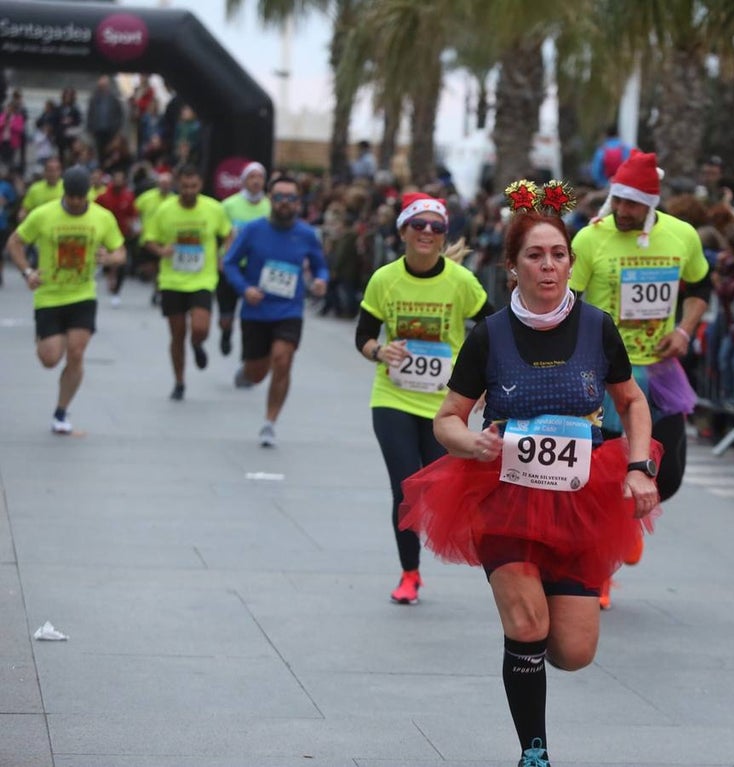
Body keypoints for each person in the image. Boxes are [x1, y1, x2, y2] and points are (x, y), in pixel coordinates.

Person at [398, 183, 660, 767]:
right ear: (512, 268)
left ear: (571, 260)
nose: (548, 266)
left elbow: (633, 401)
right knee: (526, 620)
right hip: (504, 494)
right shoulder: (490, 334)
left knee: (572, 650)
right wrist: (473, 442)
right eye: (534, 256)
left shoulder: (598, 327)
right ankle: (534, 752)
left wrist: (639, 467)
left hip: (581, 496)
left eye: (558, 254)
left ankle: (532, 650)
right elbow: (448, 421)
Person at [571, 151, 710, 609]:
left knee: (666, 475)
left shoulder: (682, 236)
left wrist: (685, 330)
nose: (623, 211)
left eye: (633, 203)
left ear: (651, 202)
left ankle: (629, 526)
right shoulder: (591, 240)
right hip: (606, 376)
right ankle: (602, 572)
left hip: (660, 370)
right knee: (610, 474)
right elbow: (566, 302)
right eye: (618, 200)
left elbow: (700, 289)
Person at [354, 192, 490, 605]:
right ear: (403, 232)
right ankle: (409, 574)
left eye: (436, 227)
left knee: (435, 489)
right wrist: (380, 351)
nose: (427, 233)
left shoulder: (461, 281)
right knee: (405, 487)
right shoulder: (384, 279)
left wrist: (481, 382)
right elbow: (363, 336)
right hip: (392, 397)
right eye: (419, 225)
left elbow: (493, 329)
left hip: (442, 405)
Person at [6, 166, 125, 433]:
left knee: (76, 352)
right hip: (49, 295)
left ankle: (61, 412)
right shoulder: (44, 215)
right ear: (64, 193)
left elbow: (121, 251)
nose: (74, 201)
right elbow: (14, 242)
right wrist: (27, 272)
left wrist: (110, 258)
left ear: (88, 195)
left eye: (80, 197)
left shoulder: (102, 218)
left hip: (82, 294)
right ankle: (46, 342)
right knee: (49, 358)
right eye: (70, 196)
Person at [223, 175, 328, 446]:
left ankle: (269, 422)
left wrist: (320, 281)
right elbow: (230, 263)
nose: (285, 203)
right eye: (279, 197)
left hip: (289, 310)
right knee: (257, 373)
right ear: (270, 199)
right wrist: (245, 289)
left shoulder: (306, 234)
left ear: (298, 202)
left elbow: (320, 265)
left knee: (283, 359)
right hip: (256, 310)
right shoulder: (252, 230)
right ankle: (247, 371)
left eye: (291, 198)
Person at [143, 165, 233, 401]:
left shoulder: (213, 208)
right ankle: (179, 381)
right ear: (177, 185)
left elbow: (228, 233)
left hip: (202, 278)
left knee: (201, 327)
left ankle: (198, 344)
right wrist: (162, 250)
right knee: (177, 333)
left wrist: (226, 254)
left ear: (200, 186)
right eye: (184, 187)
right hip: (172, 279)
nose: (189, 191)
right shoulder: (164, 210)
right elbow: (149, 239)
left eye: (193, 186)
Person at [219, 162, 271, 358]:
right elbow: (222, 235)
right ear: (243, 180)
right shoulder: (229, 205)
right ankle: (226, 332)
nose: (256, 181)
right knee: (226, 316)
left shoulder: (269, 206)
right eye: (252, 177)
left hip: (256, 269)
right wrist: (221, 259)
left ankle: (248, 355)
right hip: (231, 266)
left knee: (251, 316)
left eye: (260, 177)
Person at [94, 170, 137, 307]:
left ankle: (116, 290)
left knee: (122, 263)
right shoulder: (103, 197)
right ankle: (109, 276)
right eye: (116, 179)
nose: (118, 182)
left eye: (121, 179)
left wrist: (135, 227)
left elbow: (133, 214)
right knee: (109, 261)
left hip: (123, 235)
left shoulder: (128, 196)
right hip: (106, 235)